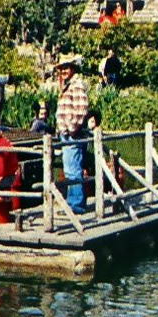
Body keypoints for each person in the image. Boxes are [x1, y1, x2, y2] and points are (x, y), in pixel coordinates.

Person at [54, 54, 90, 214]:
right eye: (61, 68)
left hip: (72, 135)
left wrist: (71, 129)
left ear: (73, 68)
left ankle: (76, 204)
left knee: (74, 169)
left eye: (66, 67)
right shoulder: (67, 85)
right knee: (69, 169)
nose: (63, 71)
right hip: (66, 133)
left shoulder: (77, 84)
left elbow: (82, 109)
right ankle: (72, 202)